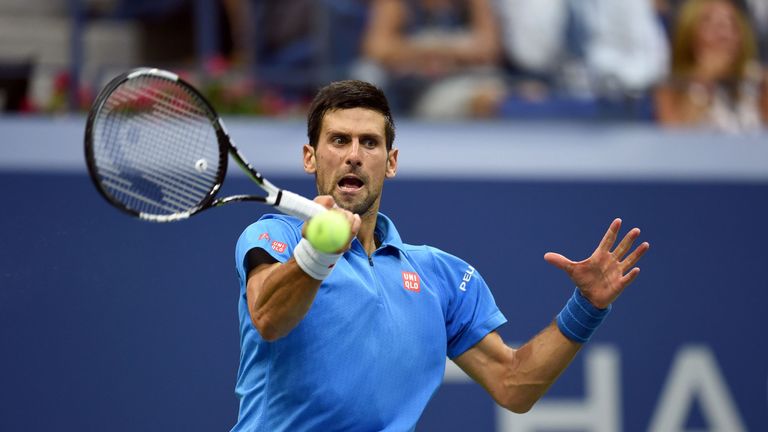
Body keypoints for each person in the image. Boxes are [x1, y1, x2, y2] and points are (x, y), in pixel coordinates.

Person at [230, 80, 649, 431]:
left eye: (369, 143)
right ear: (311, 157)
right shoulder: (275, 235)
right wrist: (316, 251)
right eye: (339, 140)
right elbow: (267, 318)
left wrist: (587, 307)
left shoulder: (440, 276)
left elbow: (513, 384)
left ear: (390, 162)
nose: (354, 154)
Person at [353, 0, 507, 118]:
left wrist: (443, 53)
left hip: (455, 81)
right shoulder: (396, 4)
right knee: (366, 75)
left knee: (488, 95)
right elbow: (376, 48)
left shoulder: (473, 4)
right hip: (402, 82)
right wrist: (424, 53)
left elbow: (488, 49)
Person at [654, 0, 768, 131]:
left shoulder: (760, 83)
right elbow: (676, 140)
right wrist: (703, 83)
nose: (722, 33)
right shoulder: (671, 89)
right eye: (709, 23)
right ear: (689, 32)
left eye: (730, 24)